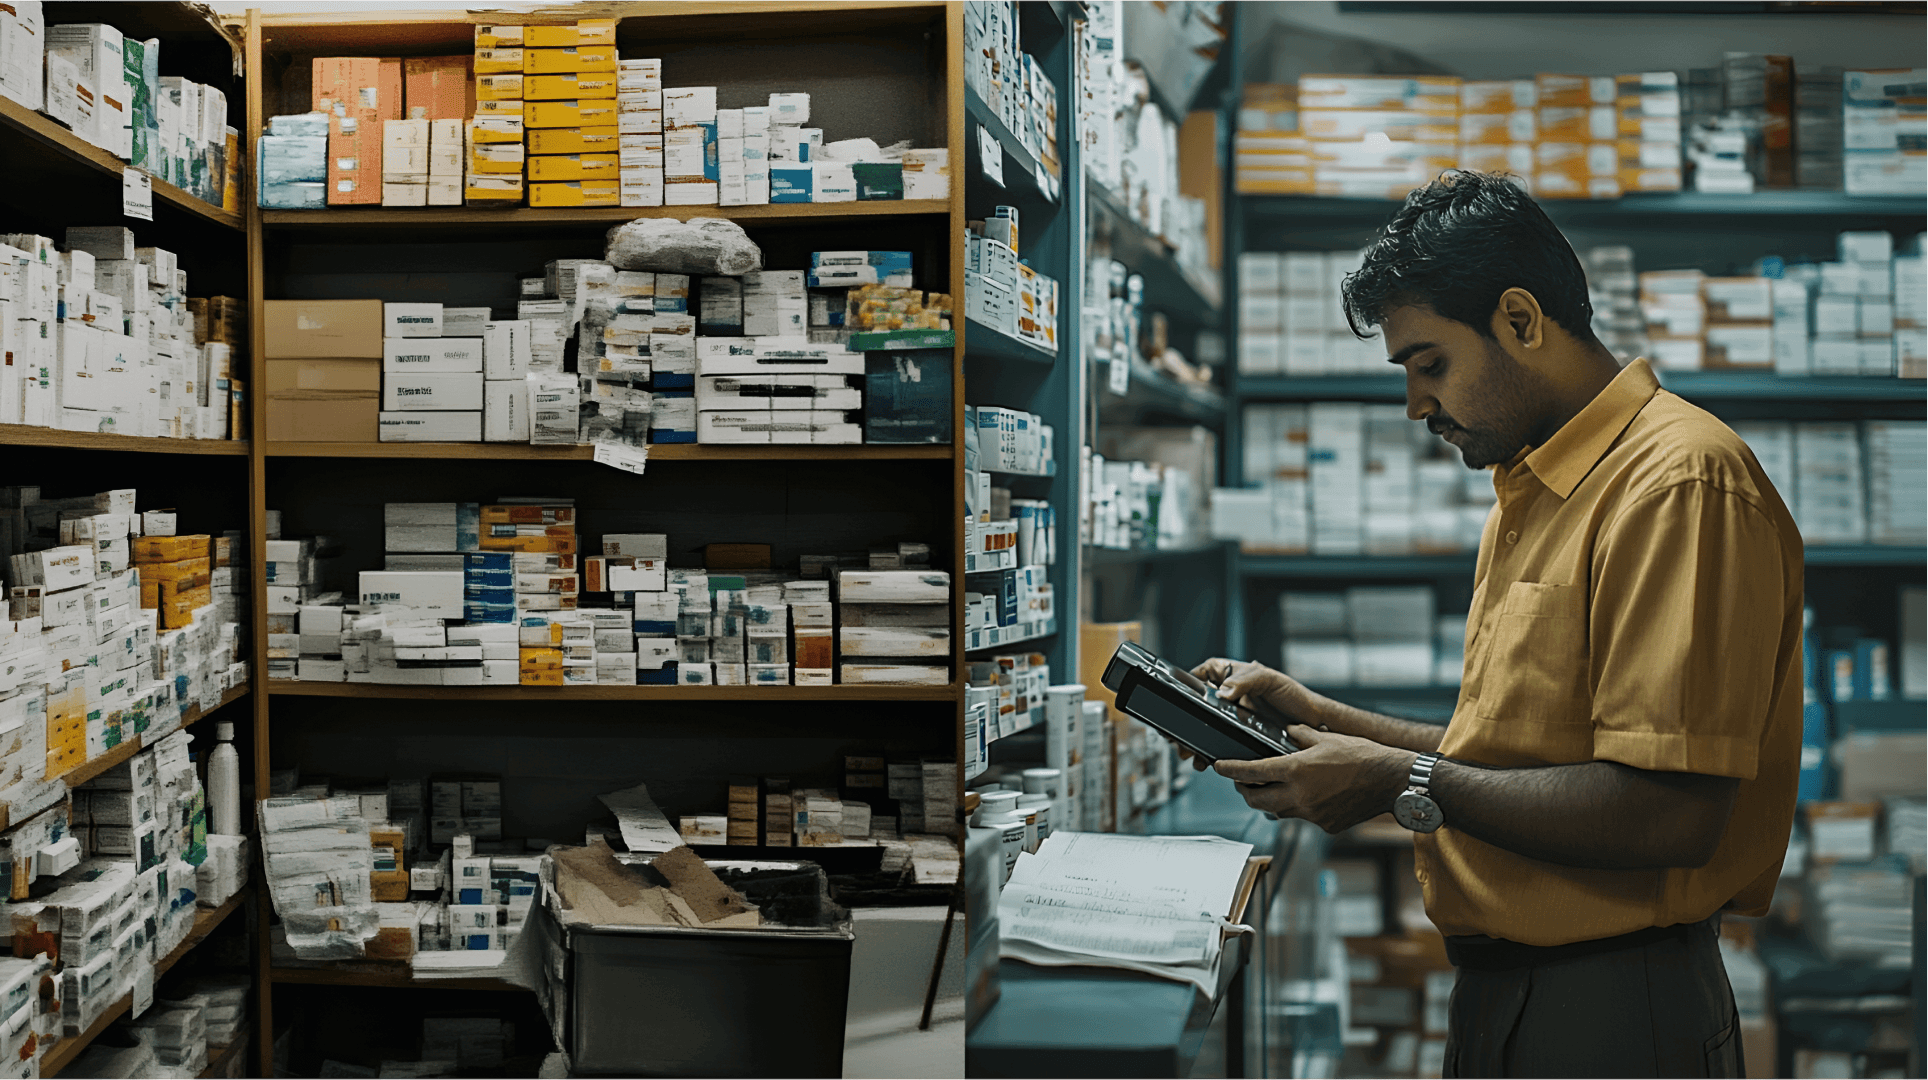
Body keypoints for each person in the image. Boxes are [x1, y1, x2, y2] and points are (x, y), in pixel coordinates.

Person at [1190, 171, 1802, 1079]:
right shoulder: (1537, 487)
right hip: (1511, 996)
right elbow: (1522, 759)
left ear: (1520, 320)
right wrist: (1322, 717)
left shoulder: (1678, 484)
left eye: (1430, 364)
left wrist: (1397, 780)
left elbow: (1667, 814)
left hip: (1612, 1010)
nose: (1415, 406)